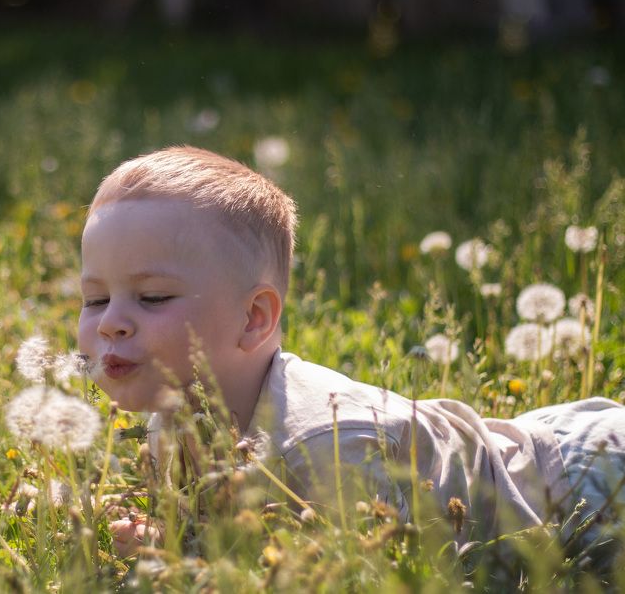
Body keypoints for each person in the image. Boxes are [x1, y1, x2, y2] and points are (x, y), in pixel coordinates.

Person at [77, 145, 625, 565]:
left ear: (254, 318)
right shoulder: (173, 422)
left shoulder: (324, 447)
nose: (109, 322)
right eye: (96, 299)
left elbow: (363, 573)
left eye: (152, 297)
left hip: (583, 487)